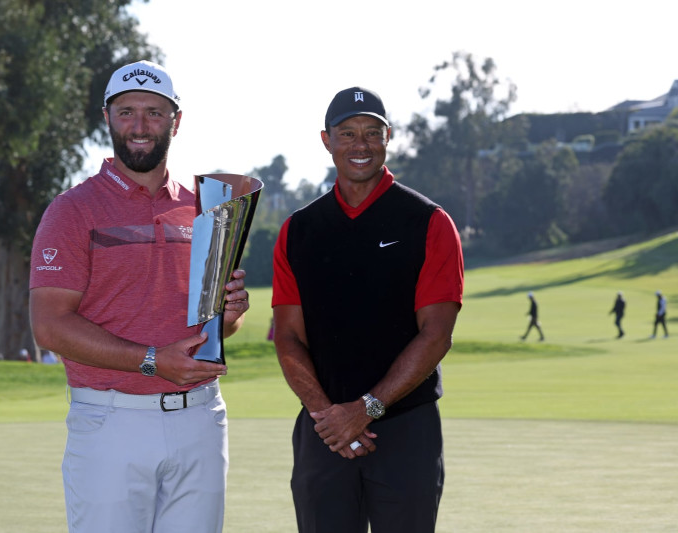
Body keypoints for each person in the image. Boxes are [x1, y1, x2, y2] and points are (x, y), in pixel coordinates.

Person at [28, 59, 250, 533]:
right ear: (106, 117)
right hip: (111, 421)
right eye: (127, 112)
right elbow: (49, 325)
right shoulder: (72, 210)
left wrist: (229, 313)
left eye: (154, 112)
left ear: (176, 121)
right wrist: (152, 360)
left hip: (200, 418)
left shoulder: (206, 207)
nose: (140, 126)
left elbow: (215, 327)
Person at [271, 87, 464, 533]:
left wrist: (367, 409)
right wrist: (330, 416)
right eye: (348, 133)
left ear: (388, 137)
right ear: (327, 140)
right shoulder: (299, 230)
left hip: (404, 429)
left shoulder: (429, 222)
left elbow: (436, 334)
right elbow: (288, 337)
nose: (361, 145)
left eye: (372, 133)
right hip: (324, 433)